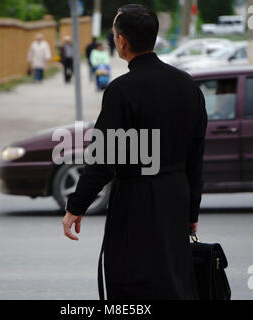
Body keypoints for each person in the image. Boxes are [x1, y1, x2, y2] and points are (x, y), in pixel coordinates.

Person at [62, 4, 208, 300]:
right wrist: (192, 209)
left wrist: (76, 206)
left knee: (133, 282)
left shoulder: (122, 91)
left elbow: (103, 160)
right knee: (173, 279)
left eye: (115, 34)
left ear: (122, 41)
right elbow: (196, 156)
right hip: (176, 196)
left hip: (137, 200)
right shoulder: (187, 85)